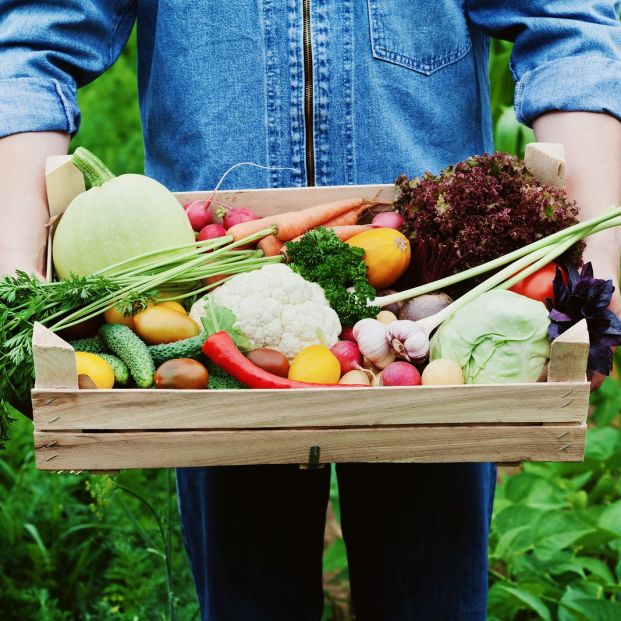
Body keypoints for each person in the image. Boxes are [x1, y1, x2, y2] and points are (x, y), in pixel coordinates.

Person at [1, 2, 620, 620]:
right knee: (250, 600)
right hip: (211, 296)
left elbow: (569, 26)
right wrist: (14, 273)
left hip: (438, 302)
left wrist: (600, 271)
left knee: (430, 598)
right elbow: (34, 43)